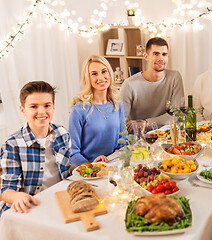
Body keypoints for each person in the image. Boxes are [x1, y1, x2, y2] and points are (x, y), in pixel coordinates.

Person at [0, 81, 71, 216]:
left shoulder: (63, 133)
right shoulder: (12, 145)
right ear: (23, 110)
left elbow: (65, 169)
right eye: (33, 106)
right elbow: (7, 191)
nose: (41, 111)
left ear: (53, 107)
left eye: (47, 105)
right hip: (28, 208)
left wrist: (85, 168)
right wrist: (16, 196)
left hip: (59, 200)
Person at [69, 55, 125, 166]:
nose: (101, 77)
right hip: (89, 170)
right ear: (87, 78)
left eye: (104, 71)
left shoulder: (117, 104)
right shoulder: (79, 109)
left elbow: (123, 140)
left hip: (113, 166)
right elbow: (73, 152)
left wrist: (113, 160)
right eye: (94, 74)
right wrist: (93, 166)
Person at [119, 37, 184, 128]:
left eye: (164, 54)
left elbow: (177, 114)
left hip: (166, 133)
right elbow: (121, 120)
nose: (160, 58)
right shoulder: (129, 84)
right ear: (146, 57)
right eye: (156, 54)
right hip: (139, 137)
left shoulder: (174, 77)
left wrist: (145, 123)